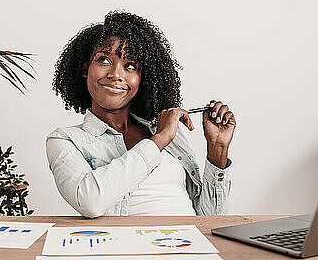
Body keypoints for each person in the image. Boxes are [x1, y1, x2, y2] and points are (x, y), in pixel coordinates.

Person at [46, 11, 236, 218]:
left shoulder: (164, 129)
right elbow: (90, 201)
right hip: (128, 247)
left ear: (142, 78)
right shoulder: (65, 140)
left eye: (130, 66)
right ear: (85, 69)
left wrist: (218, 150)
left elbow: (210, 219)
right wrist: (160, 140)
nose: (116, 75)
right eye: (104, 60)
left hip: (189, 245)